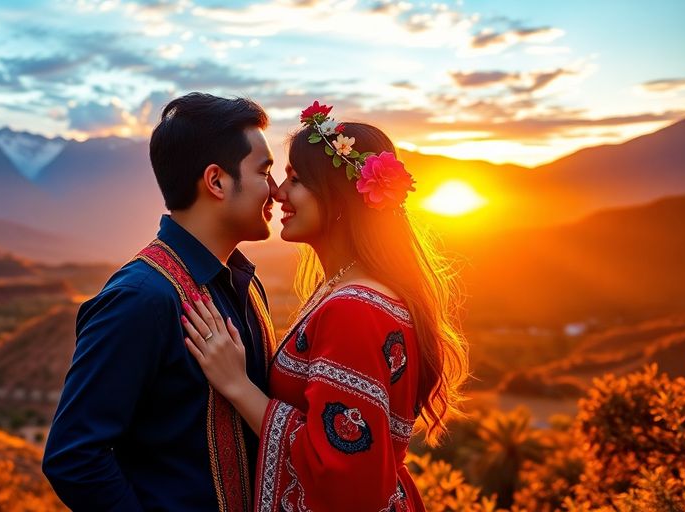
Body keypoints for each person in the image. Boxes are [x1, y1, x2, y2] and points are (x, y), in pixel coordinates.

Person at [182, 100, 469, 511]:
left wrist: (237, 385)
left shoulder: (354, 309)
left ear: (337, 198)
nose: (278, 193)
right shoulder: (349, 292)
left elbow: (341, 472)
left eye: (295, 180)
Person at [43, 92, 280, 512]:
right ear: (217, 181)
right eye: (264, 171)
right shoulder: (140, 299)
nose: (275, 191)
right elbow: (74, 457)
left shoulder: (245, 284)